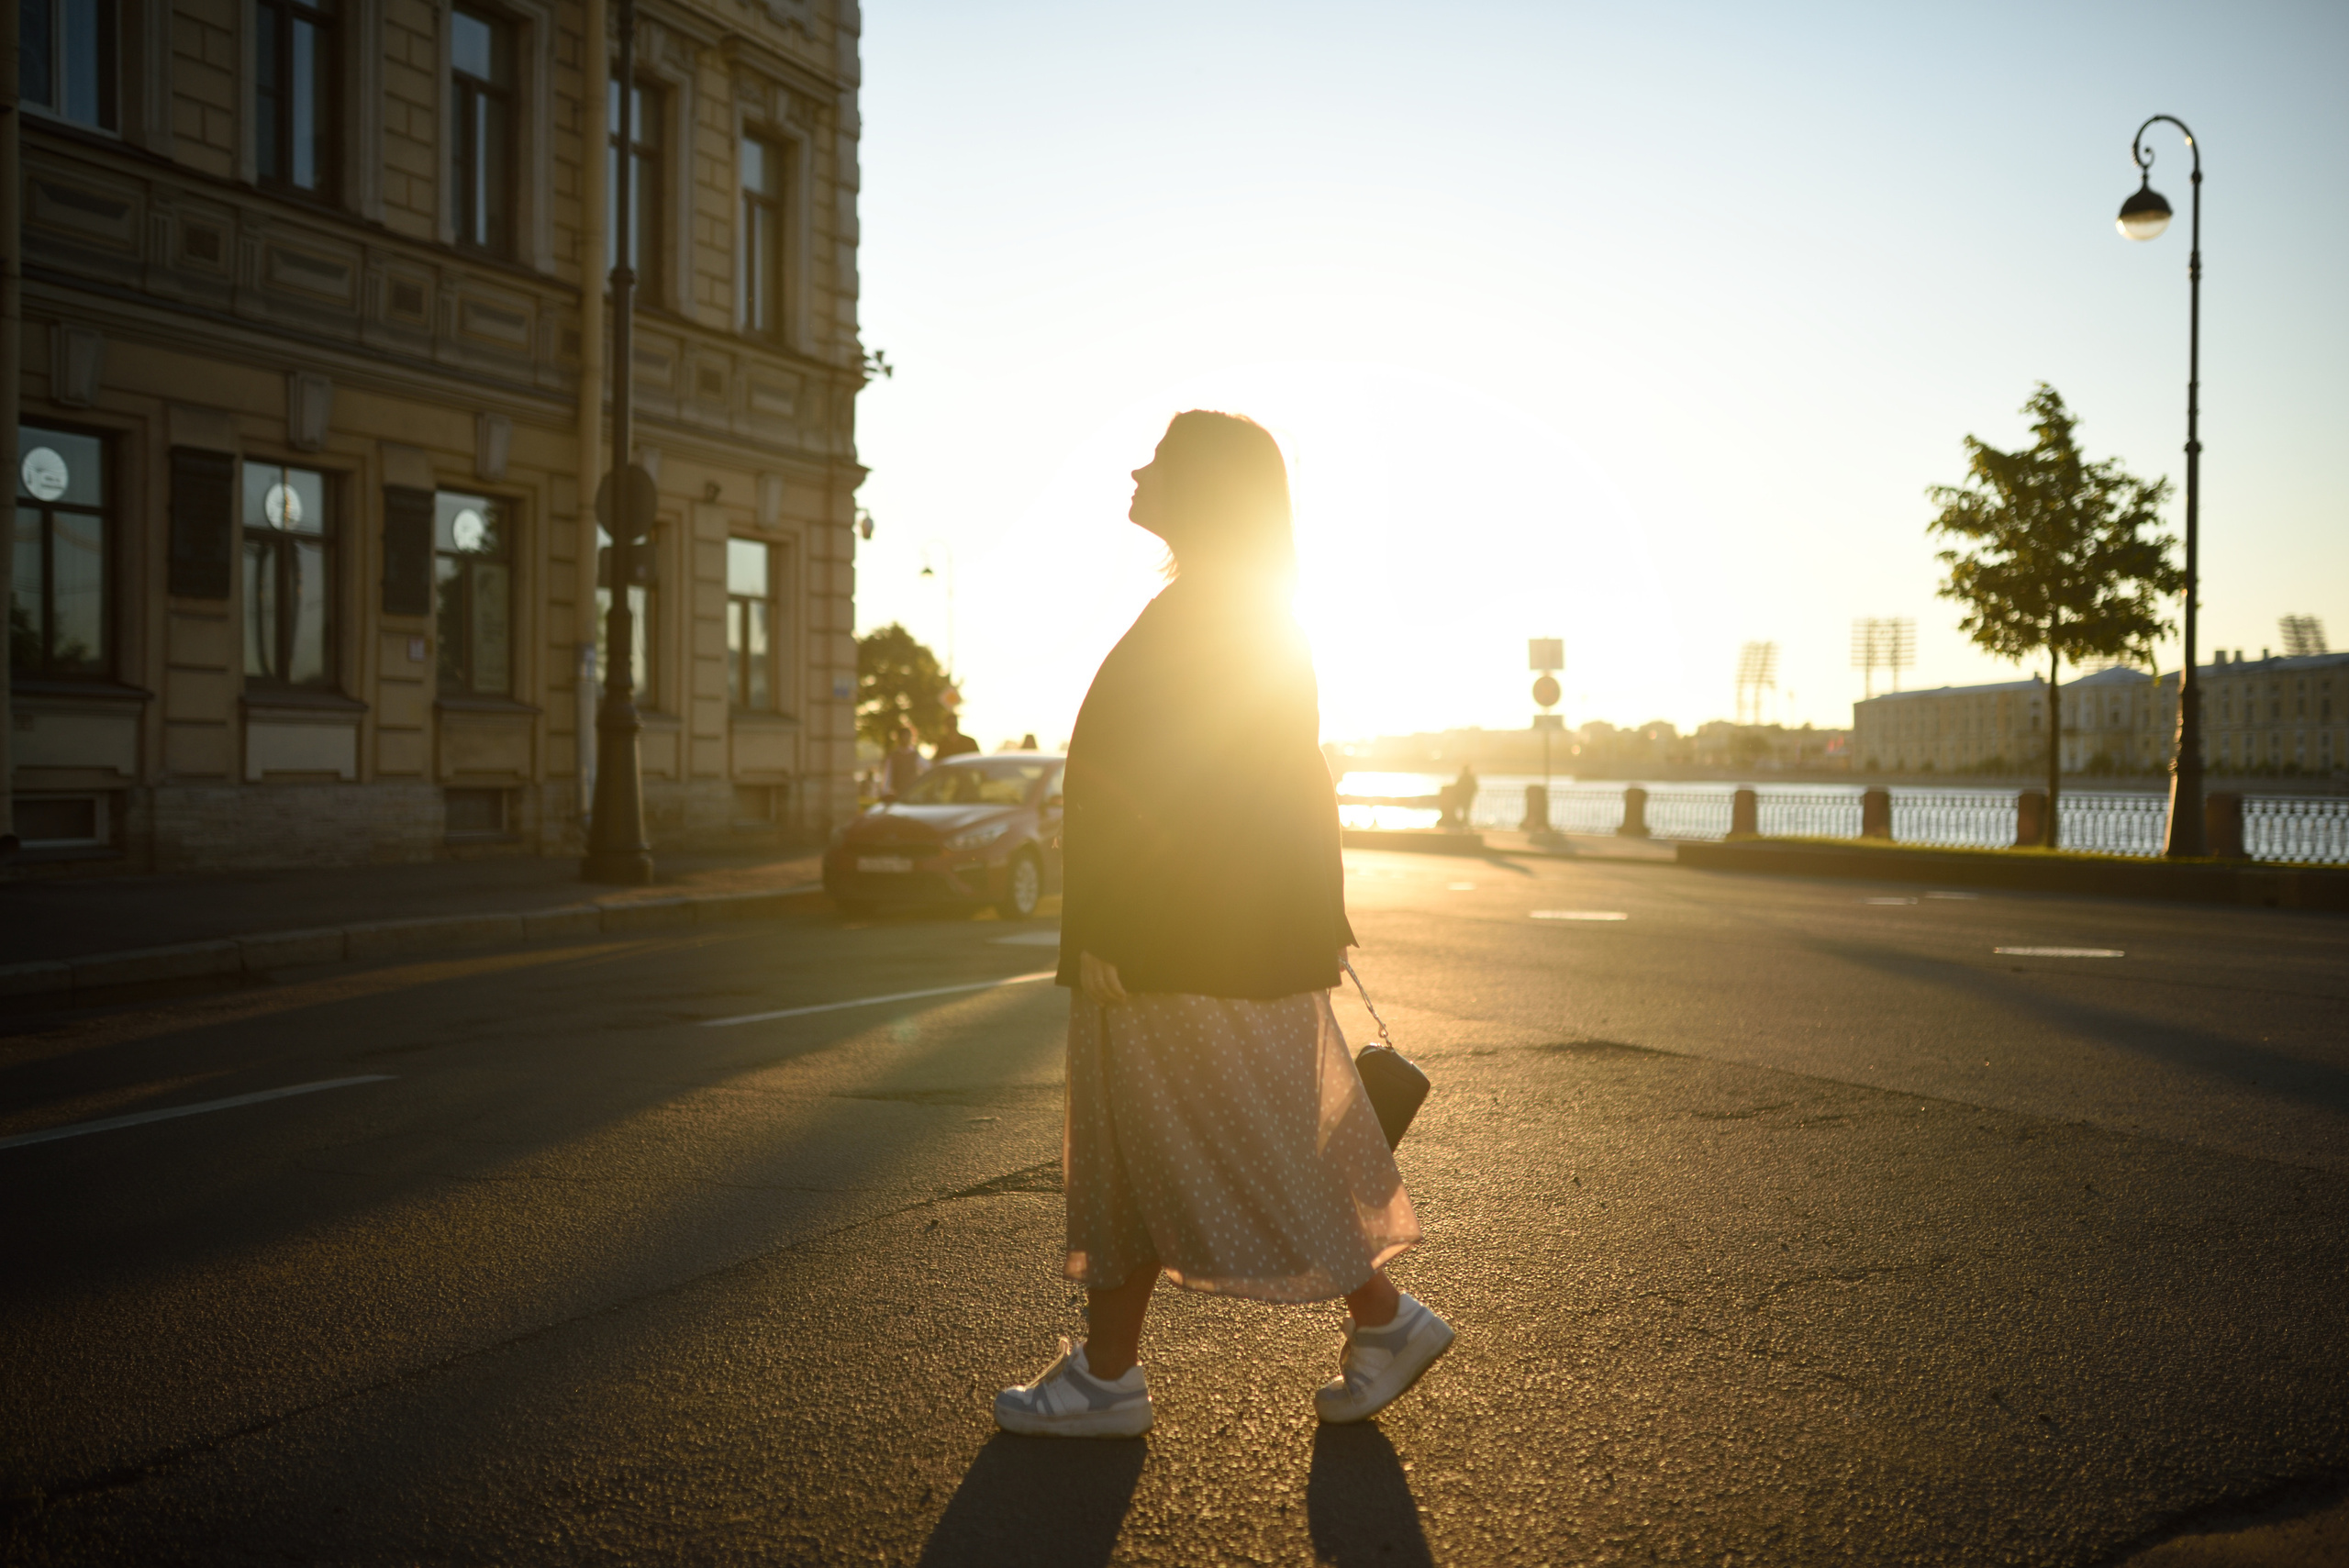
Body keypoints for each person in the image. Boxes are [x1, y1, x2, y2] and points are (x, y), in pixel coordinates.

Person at [993, 410, 1450, 1440]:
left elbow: (1203, 793)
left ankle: (1379, 1318)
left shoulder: (1220, 615)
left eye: (1160, 458)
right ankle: (1109, 1371)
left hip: (1182, 947)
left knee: (1220, 1147)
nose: (1137, 468)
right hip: (1199, 942)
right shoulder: (1230, 608)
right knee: (1151, 1152)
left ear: (1204, 488)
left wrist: (1114, 923)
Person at [883, 724, 926, 796]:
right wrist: (885, 793)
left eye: (907, 736)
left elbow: (927, 768)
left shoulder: (915, 755)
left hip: (912, 793)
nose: (905, 739)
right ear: (899, 738)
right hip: (897, 793)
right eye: (903, 736)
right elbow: (887, 776)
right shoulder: (893, 756)